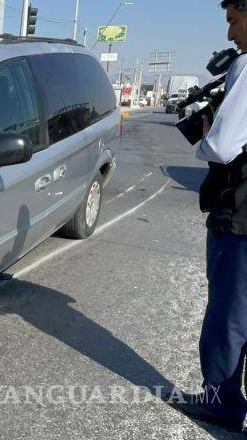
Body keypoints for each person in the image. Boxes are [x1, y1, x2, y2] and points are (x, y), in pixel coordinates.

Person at [171, 0, 247, 432]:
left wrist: (205, 135)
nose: (231, 34)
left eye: (234, 21)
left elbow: (222, 146)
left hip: (239, 215)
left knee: (230, 316)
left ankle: (221, 404)